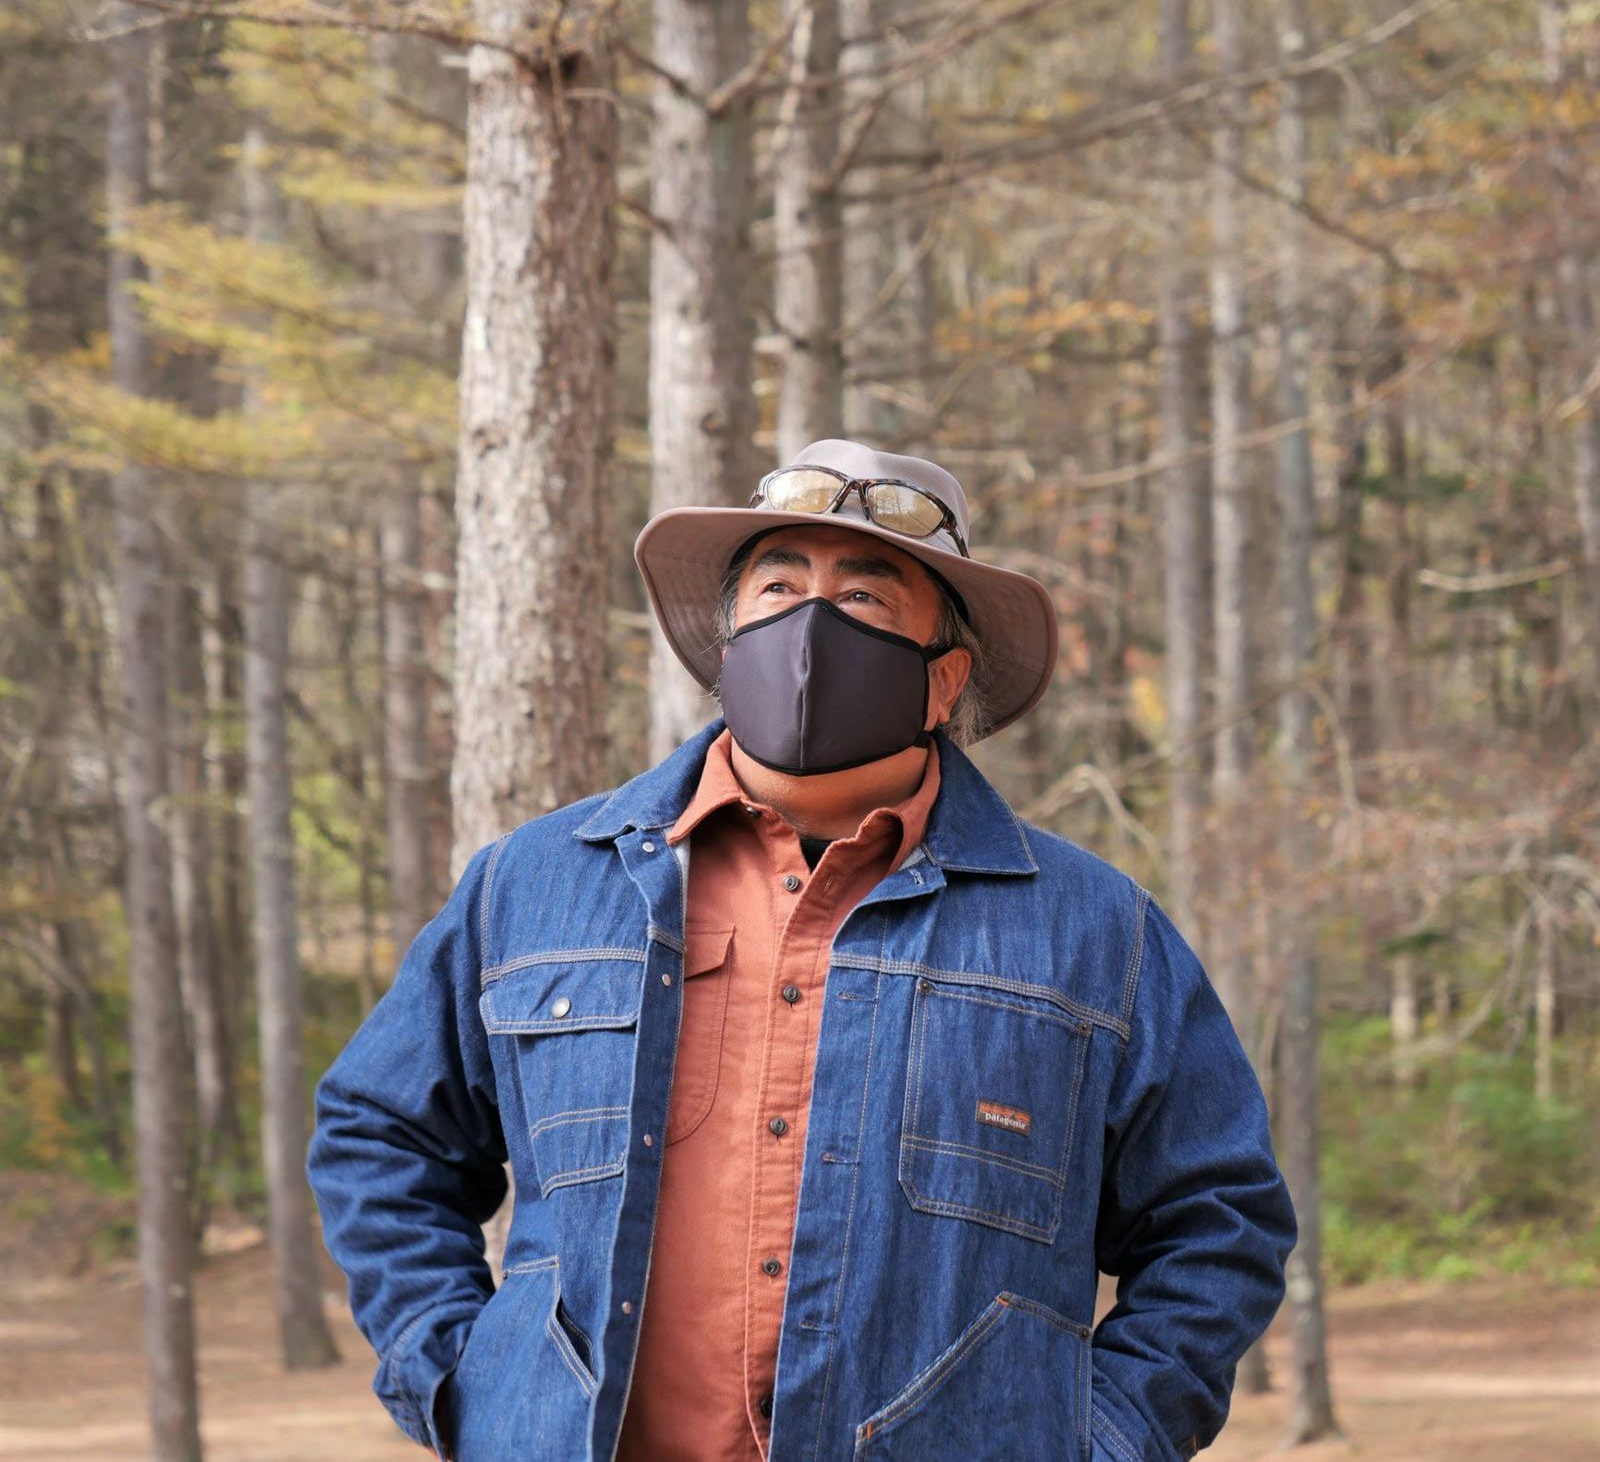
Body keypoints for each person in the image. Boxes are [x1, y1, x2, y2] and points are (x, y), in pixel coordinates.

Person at [307, 437, 1296, 1462]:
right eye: (778, 588)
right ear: (728, 643)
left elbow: (1218, 1221)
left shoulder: (1093, 932)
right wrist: (462, 1382)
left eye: (863, 598)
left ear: (943, 681)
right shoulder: (535, 886)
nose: (810, 626)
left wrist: (1106, 1437)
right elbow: (382, 1134)